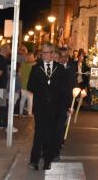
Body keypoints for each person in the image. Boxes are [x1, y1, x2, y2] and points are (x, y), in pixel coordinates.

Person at [28, 43, 71, 171]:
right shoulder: (36, 68)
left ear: (53, 54)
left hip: (55, 108)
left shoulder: (60, 69)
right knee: (39, 133)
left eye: (47, 52)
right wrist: (44, 89)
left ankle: (47, 160)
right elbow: (30, 86)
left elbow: (65, 89)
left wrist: (67, 106)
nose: (44, 55)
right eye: (43, 52)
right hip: (40, 107)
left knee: (50, 134)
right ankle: (34, 161)